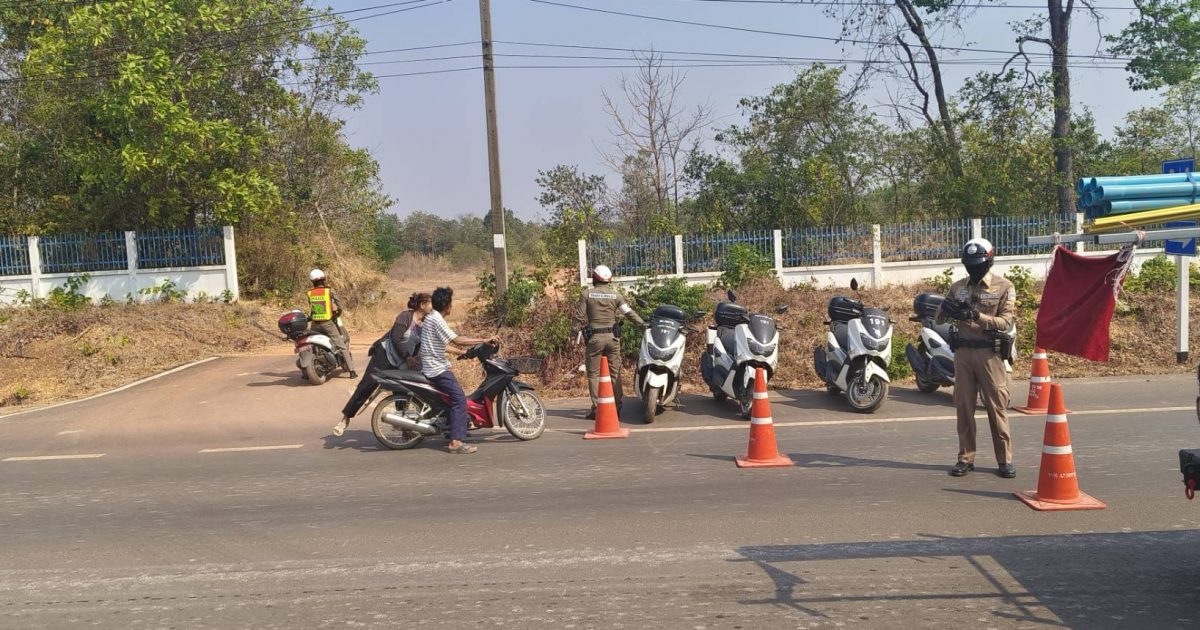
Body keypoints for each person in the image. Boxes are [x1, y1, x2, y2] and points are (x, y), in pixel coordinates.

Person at [938, 238, 1018, 479]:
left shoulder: (1004, 287)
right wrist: (946, 308)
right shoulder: (957, 287)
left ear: (989, 261)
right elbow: (939, 318)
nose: (973, 267)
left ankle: (1004, 460)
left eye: (978, 263)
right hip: (963, 353)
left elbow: (1005, 322)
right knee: (963, 408)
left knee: (996, 407)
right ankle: (965, 458)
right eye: (969, 263)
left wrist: (976, 316)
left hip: (989, 354)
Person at [332, 292, 432, 437]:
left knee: (403, 393)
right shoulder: (405, 317)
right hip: (384, 357)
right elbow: (396, 338)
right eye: (431, 304)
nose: (433, 308)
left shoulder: (425, 324)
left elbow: (419, 347)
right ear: (422, 305)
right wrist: (407, 357)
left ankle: (403, 428)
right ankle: (345, 419)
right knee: (366, 386)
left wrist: (416, 365)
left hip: (402, 363)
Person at [420, 286, 497, 454]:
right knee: (459, 399)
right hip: (437, 369)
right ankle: (455, 441)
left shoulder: (430, 318)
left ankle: (453, 428)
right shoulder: (437, 320)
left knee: (450, 398)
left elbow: (441, 344)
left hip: (431, 366)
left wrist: (460, 353)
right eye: (451, 303)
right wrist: (484, 340)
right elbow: (457, 340)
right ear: (447, 305)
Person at [572, 264, 645, 419]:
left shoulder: (587, 294)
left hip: (595, 340)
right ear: (609, 280)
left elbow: (578, 317)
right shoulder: (616, 295)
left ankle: (597, 409)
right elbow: (629, 313)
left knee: (593, 374)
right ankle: (617, 406)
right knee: (615, 373)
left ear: (594, 278)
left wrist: (573, 335)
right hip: (613, 339)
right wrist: (643, 325)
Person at [306, 268, 356, 378]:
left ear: (312, 281)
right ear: (323, 279)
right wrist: (338, 312)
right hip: (328, 323)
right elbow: (340, 305)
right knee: (342, 346)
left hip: (314, 324)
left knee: (311, 346)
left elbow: (313, 308)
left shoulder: (310, 293)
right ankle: (352, 371)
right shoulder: (329, 291)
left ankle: (307, 371)